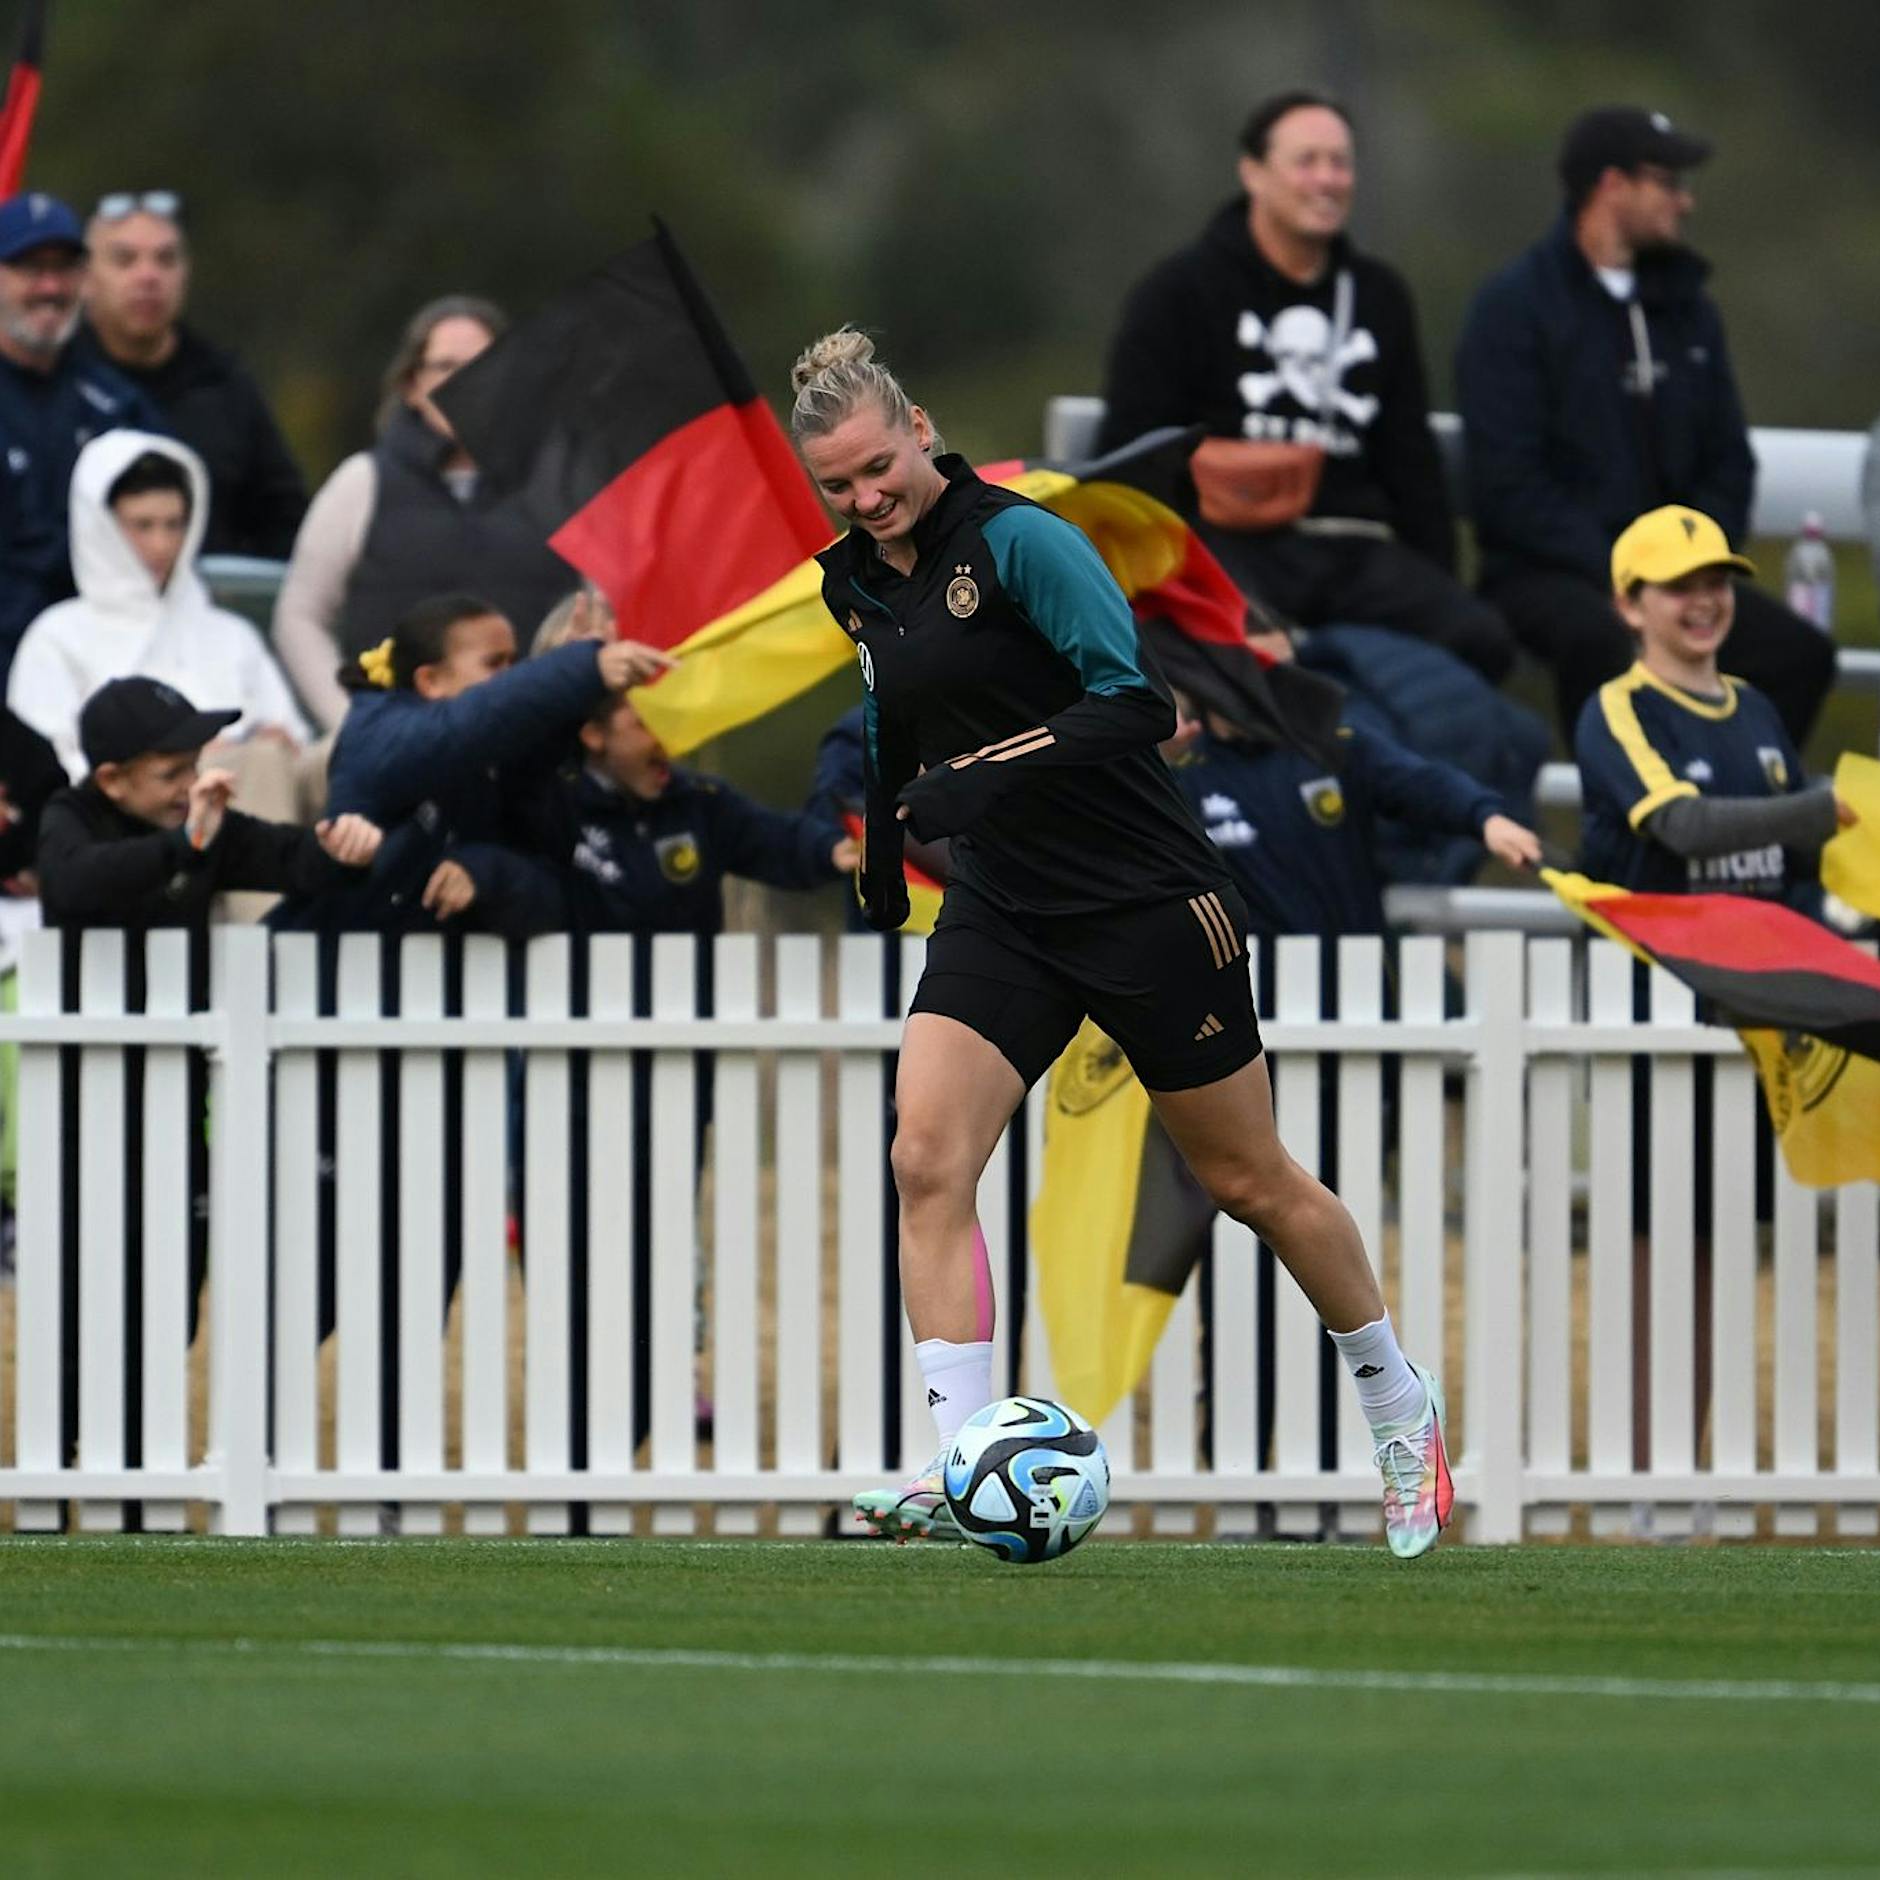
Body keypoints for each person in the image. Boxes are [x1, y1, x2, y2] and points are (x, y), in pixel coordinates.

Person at [793, 326, 1452, 1559]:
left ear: (920, 425)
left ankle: (1396, 1401)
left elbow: (1134, 703)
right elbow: (889, 720)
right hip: (1005, 908)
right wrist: (885, 859)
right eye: (838, 484)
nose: (866, 495)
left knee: (1248, 1180)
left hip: (1147, 897)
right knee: (925, 1159)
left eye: (879, 466)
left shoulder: (1025, 539)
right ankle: (965, 1456)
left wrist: (982, 776)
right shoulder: (852, 577)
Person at [1574, 505, 1853, 1493]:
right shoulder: (1617, 707)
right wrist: (1821, 805)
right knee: (1656, 1247)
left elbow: (1786, 876)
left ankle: (1682, 1477)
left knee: (1723, 1242)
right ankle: (1645, 1478)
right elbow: (1683, 827)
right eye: (1678, 585)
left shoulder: (1758, 709)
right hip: (1652, 1018)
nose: (1703, 601)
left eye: (1717, 581)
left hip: (1749, 1021)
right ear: (1629, 603)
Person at [1096, 90, 1513, 683]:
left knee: (1478, 640)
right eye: (1306, 161)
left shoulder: (1379, 295)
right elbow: (1131, 452)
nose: (1327, 179)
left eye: (1340, 162)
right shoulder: (1180, 292)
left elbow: (1411, 462)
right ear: (1253, 174)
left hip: (1352, 545)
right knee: (1255, 647)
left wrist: (1438, 581)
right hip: (1226, 543)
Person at [1457, 105, 1835, 744]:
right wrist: (1624, 573)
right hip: (1555, 576)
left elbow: (1729, 460)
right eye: (1668, 181)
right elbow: (1508, 484)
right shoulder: (1513, 309)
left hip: (1676, 573)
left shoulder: (1688, 310)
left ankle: (1738, 826)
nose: (1685, 202)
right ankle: (1626, 832)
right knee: (1601, 640)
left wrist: (1694, 569)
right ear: (1611, 186)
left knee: (1800, 655)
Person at [272, 296, 579, 734]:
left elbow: (604, 608)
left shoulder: (561, 488)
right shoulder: (363, 482)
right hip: (396, 743)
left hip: (532, 741)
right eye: (446, 367)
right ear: (412, 385)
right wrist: (348, 722)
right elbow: (299, 616)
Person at [280, 591, 669, 935]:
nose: (509, 677)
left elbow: (554, 895)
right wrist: (579, 670)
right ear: (429, 681)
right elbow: (468, 723)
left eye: (513, 663)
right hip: (326, 996)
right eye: (493, 664)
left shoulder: (495, 759)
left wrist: (485, 872)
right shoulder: (377, 734)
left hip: (439, 1003)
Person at [8, 433, 309, 787]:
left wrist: (271, 743)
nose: (162, 545)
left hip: (257, 798)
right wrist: (190, 761)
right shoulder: (58, 636)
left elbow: (294, 739)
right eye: (142, 526)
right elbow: (45, 770)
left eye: (174, 524)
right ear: (101, 528)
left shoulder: (232, 633)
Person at [472, 688, 858, 934]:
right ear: (594, 734)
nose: (664, 741)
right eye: (644, 724)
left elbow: (778, 841)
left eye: (667, 720)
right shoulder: (555, 805)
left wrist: (830, 848)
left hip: (687, 1030)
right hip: (581, 1031)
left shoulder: (698, 800)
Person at [35, 675, 379, 931]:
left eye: (194, 765)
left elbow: (287, 857)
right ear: (112, 781)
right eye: (171, 775)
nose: (191, 785)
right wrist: (185, 844)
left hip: (191, 1025)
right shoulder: (70, 814)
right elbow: (75, 883)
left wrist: (342, 851)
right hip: (88, 1025)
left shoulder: (201, 826)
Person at [76, 192, 306, 559]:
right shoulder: (55, 383)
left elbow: (284, 522)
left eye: (166, 259)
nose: (148, 276)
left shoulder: (225, 386)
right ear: (84, 279)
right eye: (125, 260)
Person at [0, 192, 164, 679]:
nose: (49, 287)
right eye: (30, 268)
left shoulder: (118, 404)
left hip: (101, 666)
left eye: (64, 268)